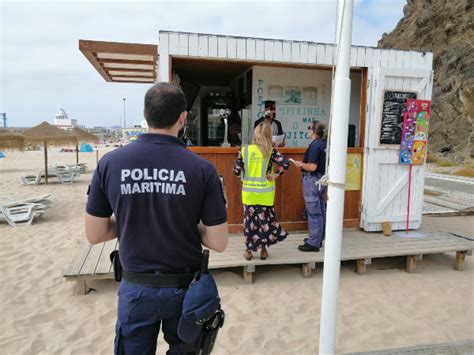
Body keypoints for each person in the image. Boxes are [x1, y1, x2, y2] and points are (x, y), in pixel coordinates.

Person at [85, 82, 229, 355]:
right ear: (183, 118)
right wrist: (184, 225)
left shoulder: (110, 163)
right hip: (185, 290)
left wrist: (129, 221)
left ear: (146, 114)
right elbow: (219, 242)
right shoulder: (203, 170)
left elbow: (94, 234)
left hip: (135, 287)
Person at [233, 122, 290, 260]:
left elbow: (236, 171)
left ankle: (248, 251)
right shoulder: (271, 151)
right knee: (264, 223)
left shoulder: (245, 151)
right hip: (265, 195)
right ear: (269, 135)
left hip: (249, 195)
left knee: (249, 223)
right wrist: (275, 175)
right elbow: (286, 163)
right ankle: (263, 251)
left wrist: (244, 177)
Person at [292, 121, 327, 252]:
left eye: (309, 128)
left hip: (312, 180)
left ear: (313, 131)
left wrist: (300, 164)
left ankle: (313, 243)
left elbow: (312, 166)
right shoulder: (324, 144)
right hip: (322, 180)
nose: (308, 130)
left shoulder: (314, 146)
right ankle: (318, 239)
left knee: (313, 212)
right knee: (321, 211)